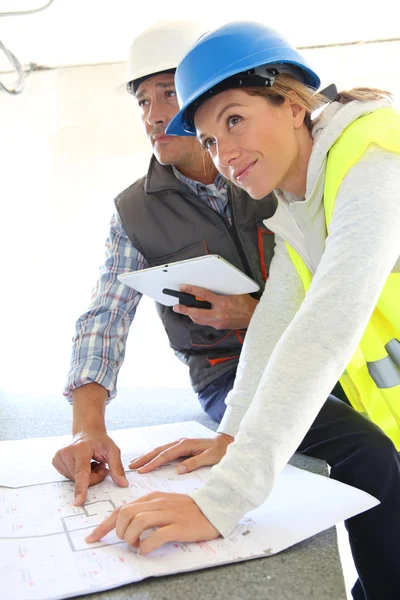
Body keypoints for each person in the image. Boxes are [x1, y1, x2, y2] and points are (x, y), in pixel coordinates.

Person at [86, 21, 400, 600]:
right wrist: (231, 433)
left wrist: (222, 500)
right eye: (208, 140)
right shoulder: (295, 206)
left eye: (234, 120)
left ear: (291, 102)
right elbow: (276, 327)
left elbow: (325, 323)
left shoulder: (372, 153)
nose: (226, 155)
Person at [52, 20, 278, 506]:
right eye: (142, 102)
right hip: (228, 374)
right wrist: (85, 429)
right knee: (347, 443)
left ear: (207, 97)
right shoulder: (133, 211)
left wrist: (254, 312)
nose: (153, 117)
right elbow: (104, 319)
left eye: (167, 95)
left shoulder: (270, 167)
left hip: (315, 346)